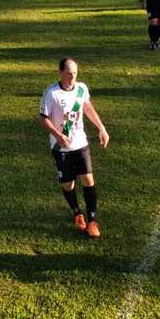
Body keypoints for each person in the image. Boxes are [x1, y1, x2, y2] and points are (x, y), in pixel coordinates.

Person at [38, 58, 110, 239]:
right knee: (67, 184)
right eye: (69, 73)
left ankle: (92, 221)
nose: (73, 76)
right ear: (60, 72)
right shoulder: (51, 93)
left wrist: (101, 128)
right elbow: (43, 118)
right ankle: (77, 213)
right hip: (60, 147)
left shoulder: (81, 89)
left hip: (80, 144)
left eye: (75, 73)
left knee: (88, 179)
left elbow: (87, 107)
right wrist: (57, 134)